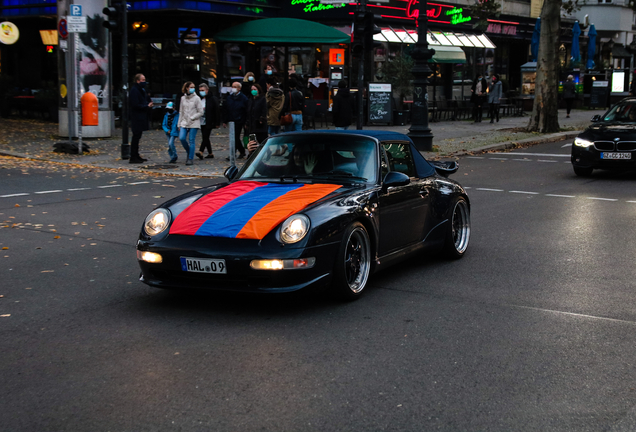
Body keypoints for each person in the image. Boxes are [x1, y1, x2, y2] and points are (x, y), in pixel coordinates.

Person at [128, 73, 153, 163]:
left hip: (140, 116)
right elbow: (135, 104)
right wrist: (146, 105)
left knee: (137, 136)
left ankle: (135, 155)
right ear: (138, 81)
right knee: (136, 136)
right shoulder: (135, 90)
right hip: (137, 117)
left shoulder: (140, 90)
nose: (144, 81)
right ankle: (133, 156)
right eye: (142, 80)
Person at [178, 81, 204, 165]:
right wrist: (179, 123)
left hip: (193, 122)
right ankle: (190, 151)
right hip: (184, 122)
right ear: (186, 88)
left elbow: (201, 112)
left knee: (191, 140)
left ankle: (190, 158)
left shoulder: (197, 98)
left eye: (193, 87)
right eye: (191, 87)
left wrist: (192, 117)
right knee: (182, 138)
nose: (193, 89)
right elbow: (181, 111)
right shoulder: (183, 98)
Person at [222, 81, 249, 159]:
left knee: (235, 137)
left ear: (239, 88)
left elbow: (246, 110)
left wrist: (245, 122)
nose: (233, 88)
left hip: (239, 120)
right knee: (234, 137)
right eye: (232, 86)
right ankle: (241, 151)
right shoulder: (229, 97)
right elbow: (226, 109)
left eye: (235, 87)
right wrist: (225, 120)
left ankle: (233, 153)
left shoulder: (243, 98)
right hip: (231, 120)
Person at [195, 83, 220, 160]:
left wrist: (217, 122)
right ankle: (210, 153)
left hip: (209, 120)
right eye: (200, 90)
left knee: (205, 136)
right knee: (205, 136)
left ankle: (201, 151)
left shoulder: (212, 99)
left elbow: (217, 111)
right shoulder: (199, 99)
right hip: (201, 121)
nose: (201, 92)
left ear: (207, 90)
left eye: (203, 90)